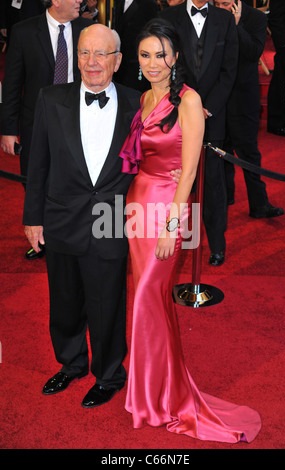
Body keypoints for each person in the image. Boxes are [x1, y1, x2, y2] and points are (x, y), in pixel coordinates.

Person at [22, 23, 180, 408]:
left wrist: (175, 168)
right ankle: (71, 364)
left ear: (118, 60)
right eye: (84, 53)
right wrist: (32, 217)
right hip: (60, 216)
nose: (92, 62)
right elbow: (37, 163)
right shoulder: (50, 98)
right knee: (63, 300)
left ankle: (109, 373)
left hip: (111, 217)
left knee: (107, 301)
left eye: (101, 54)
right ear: (76, 57)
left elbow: (168, 141)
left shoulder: (137, 104)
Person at [120, 18, 261, 443]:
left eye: (160, 54)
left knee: (148, 296)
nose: (153, 63)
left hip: (166, 207)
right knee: (148, 301)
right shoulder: (144, 97)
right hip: (136, 204)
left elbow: (190, 171)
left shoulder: (189, 100)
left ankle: (160, 398)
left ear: (176, 56)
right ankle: (151, 389)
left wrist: (172, 225)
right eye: (145, 55)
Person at [0, 0, 92, 260]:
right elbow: (12, 83)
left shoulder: (88, 29)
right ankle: (41, 236)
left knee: (78, 178)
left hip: (80, 120)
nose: (80, 2)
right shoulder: (25, 31)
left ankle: (72, 233)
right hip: (36, 122)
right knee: (34, 178)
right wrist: (8, 128)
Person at [160, 0, 239, 266]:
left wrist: (207, 108)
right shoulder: (168, 16)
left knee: (213, 185)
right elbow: (164, 63)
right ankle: (171, 240)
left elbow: (229, 71)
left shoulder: (224, 19)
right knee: (174, 181)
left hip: (213, 118)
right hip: (176, 112)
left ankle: (217, 244)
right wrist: (185, 104)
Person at [214, 0, 284, 218]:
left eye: (225, 3)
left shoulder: (256, 18)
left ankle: (259, 204)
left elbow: (254, 52)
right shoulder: (211, 16)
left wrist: (236, 26)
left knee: (249, 153)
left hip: (244, 98)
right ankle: (225, 197)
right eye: (217, 3)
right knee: (220, 151)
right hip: (218, 98)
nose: (221, 7)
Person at [113, 0, 159, 92]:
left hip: (137, 67)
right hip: (120, 66)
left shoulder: (149, 4)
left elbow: (153, 34)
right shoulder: (118, 3)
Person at [267, 0, 285, 137]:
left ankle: (282, 118)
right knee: (280, 82)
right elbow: (274, 18)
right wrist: (284, 44)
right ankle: (275, 123)